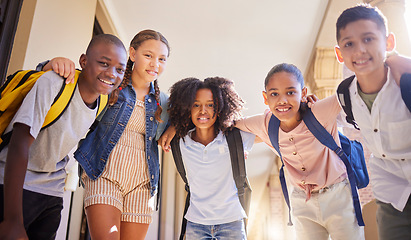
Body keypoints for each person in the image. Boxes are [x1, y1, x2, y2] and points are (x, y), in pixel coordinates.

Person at [0, 34, 127, 240]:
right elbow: (19, 143)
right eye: (104, 63)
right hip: (15, 185)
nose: (112, 73)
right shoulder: (54, 83)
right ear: (84, 61)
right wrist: (12, 219)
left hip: (52, 192)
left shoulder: (102, 101)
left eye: (120, 69)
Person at [49, 29, 170, 239]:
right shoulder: (111, 84)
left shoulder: (165, 102)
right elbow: (80, 79)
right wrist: (51, 64)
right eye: (148, 56)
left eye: (161, 59)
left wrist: (176, 127)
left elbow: (192, 119)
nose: (155, 64)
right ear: (133, 54)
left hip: (142, 183)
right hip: (104, 174)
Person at [233, 63, 364, 240]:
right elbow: (231, 125)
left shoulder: (319, 111)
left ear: (303, 93)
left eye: (290, 92)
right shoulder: (265, 124)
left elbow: (353, 89)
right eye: (274, 94)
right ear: (265, 97)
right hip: (302, 202)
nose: (282, 100)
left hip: (338, 196)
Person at [334, 5, 411, 239]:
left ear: (388, 42)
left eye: (368, 39)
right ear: (340, 54)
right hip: (392, 197)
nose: (360, 50)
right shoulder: (345, 94)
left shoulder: (404, 83)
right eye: (349, 44)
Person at [163, 77, 255, 239]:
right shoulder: (180, 141)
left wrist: (304, 105)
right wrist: (174, 124)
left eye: (210, 105)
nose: (203, 110)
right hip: (195, 224)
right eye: (196, 105)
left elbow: (271, 127)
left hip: (232, 222)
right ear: (187, 109)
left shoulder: (234, 138)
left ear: (220, 108)